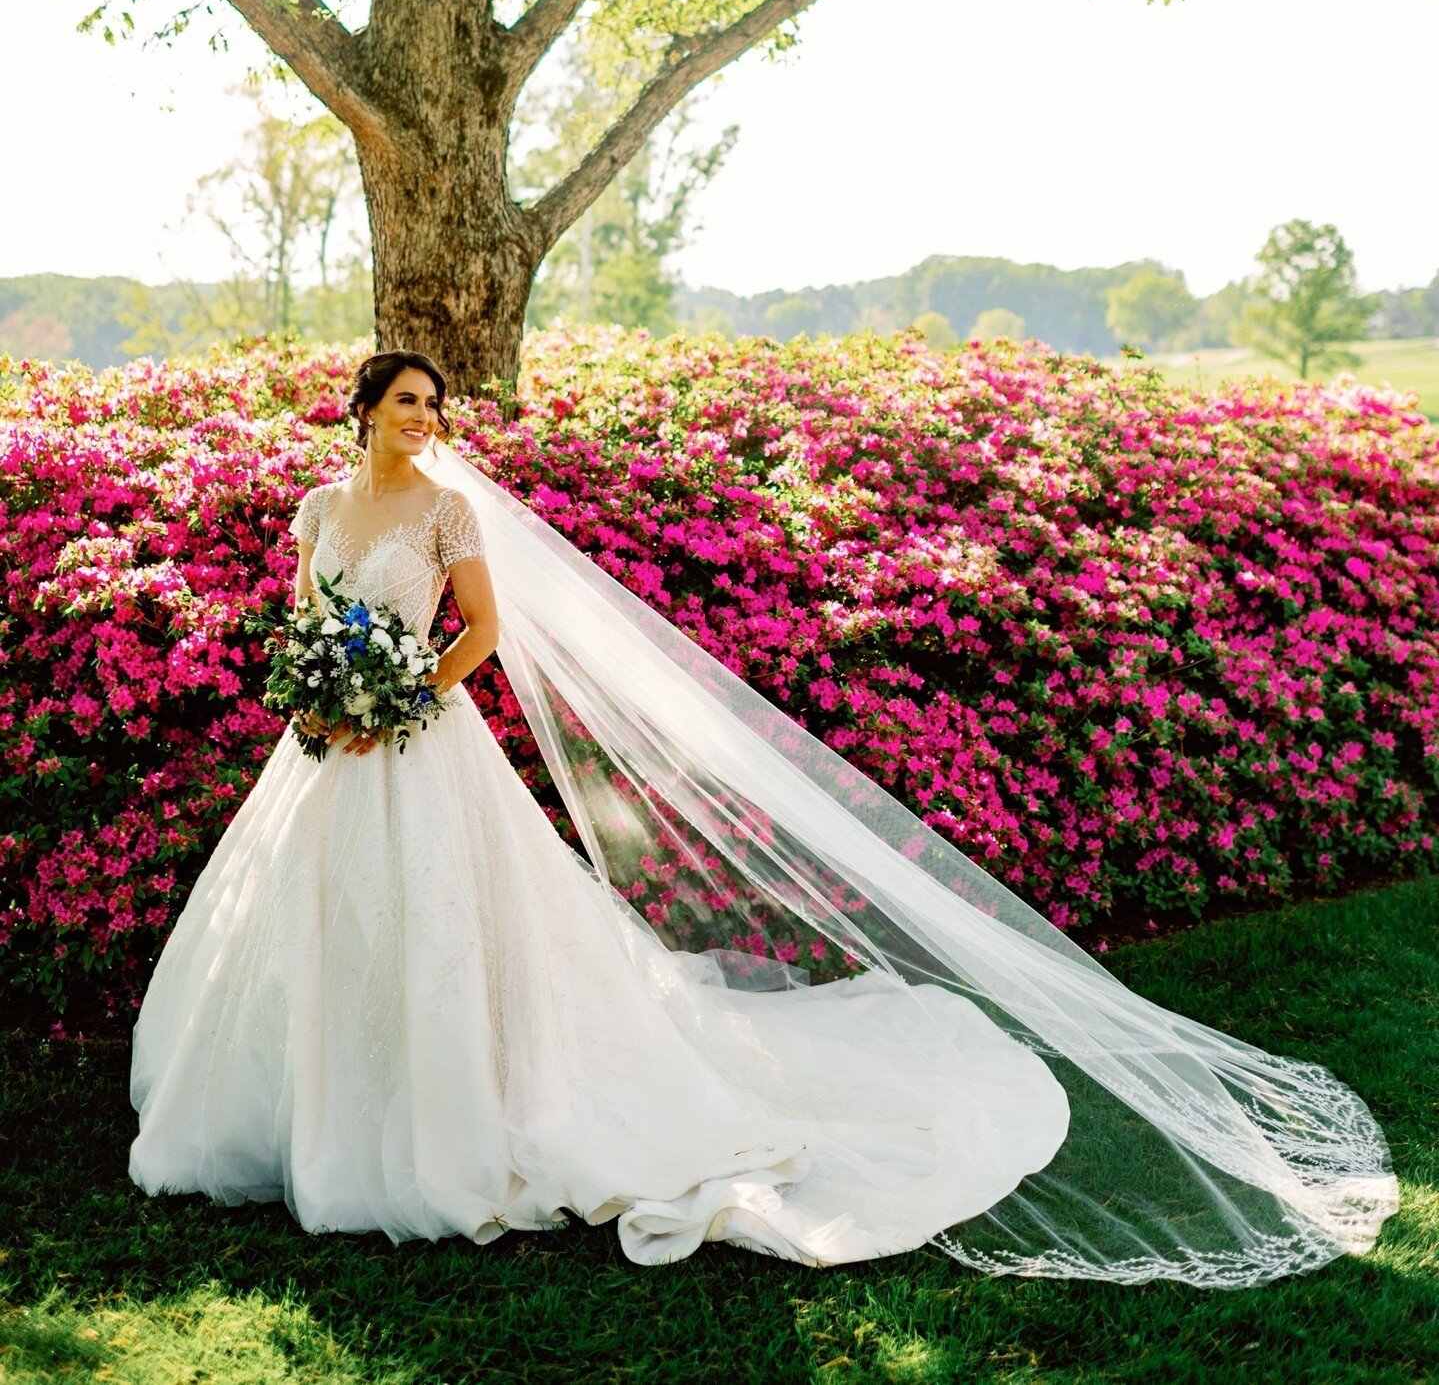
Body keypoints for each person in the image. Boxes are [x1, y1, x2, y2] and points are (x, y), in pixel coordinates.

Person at [129, 350, 1398, 1280]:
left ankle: (450, 1118)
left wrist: (397, 692)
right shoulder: (318, 510)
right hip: (324, 745)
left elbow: (484, 632)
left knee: (444, 924)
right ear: (360, 410)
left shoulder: (448, 509)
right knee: (319, 922)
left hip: (417, 734)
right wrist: (322, 695)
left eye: (433, 404)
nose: (422, 418)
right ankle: (309, 1111)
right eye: (403, 401)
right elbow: (307, 619)